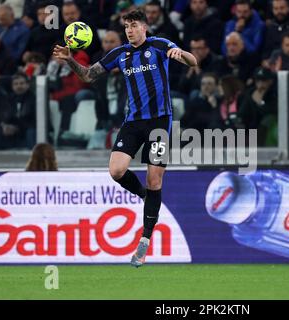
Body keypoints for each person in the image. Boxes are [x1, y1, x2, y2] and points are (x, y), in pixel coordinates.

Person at [53, 9, 197, 267]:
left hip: (159, 124)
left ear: (145, 26)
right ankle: (145, 197)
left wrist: (181, 54)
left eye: (133, 25)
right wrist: (70, 60)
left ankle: (144, 240)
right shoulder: (119, 54)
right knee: (116, 170)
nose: (129, 30)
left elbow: (193, 62)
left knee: (155, 179)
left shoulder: (160, 45)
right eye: (126, 26)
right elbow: (88, 75)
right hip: (133, 122)